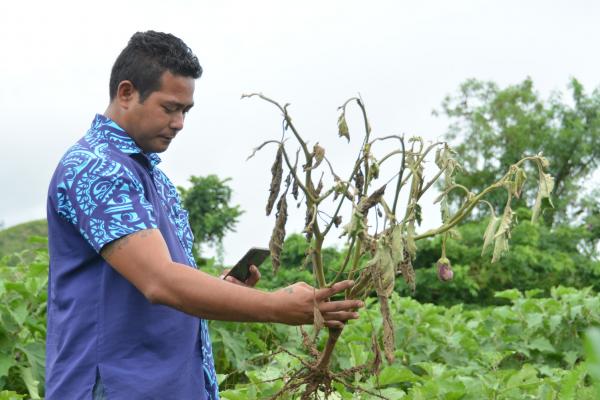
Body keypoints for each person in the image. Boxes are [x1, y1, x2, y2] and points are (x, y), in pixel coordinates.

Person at [45, 30, 363, 399]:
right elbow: (159, 281)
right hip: (115, 386)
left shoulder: (149, 175)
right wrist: (276, 305)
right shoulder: (96, 168)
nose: (180, 122)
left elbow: (160, 277)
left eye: (186, 111)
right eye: (170, 108)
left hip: (166, 384)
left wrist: (217, 287)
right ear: (126, 93)